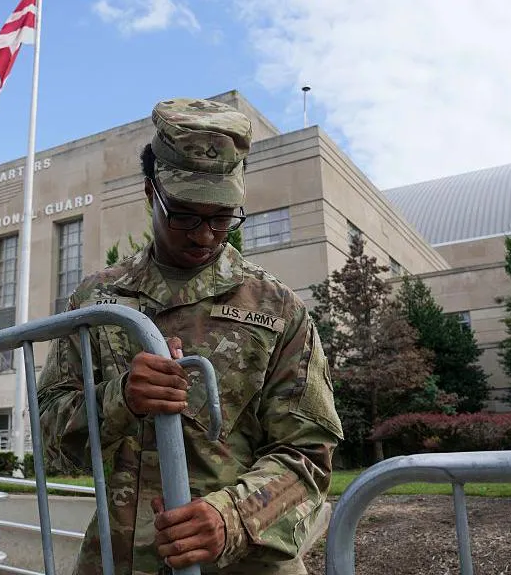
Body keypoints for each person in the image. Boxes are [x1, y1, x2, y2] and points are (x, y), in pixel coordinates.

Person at [36, 97, 344, 575]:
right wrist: (121, 399)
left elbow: (309, 457)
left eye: (221, 217)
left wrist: (233, 518)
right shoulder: (96, 302)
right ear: (150, 191)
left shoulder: (278, 309)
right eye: (184, 215)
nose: (205, 236)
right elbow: (49, 440)